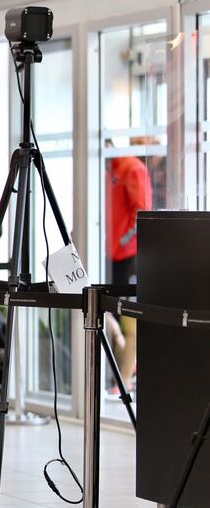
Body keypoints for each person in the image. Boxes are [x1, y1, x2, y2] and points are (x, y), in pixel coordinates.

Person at [105, 141, 153, 392]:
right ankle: (124, 367)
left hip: (129, 255)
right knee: (107, 311)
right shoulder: (107, 171)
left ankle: (124, 377)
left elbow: (143, 212)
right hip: (110, 255)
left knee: (129, 316)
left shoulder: (130, 168)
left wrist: (122, 241)